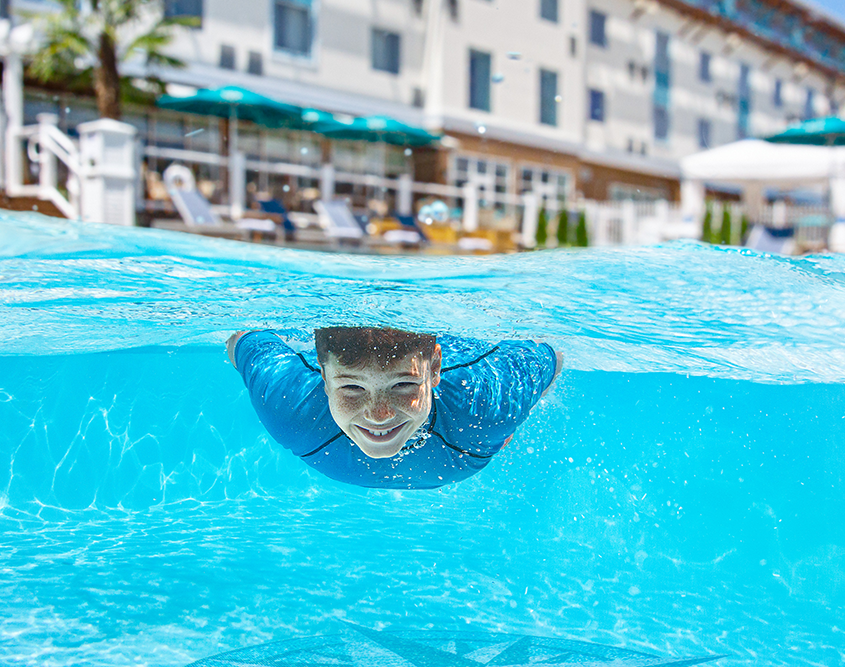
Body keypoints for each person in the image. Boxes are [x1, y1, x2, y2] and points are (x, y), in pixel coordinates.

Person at [227, 326, 562, 489]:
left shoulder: (483, 402)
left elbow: (551, 356)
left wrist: (520, 411)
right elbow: (240, 341)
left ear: (434, 372)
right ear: (324, 378)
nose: (379, 415)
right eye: (352, 387)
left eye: (402, 385)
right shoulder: (294, 408)